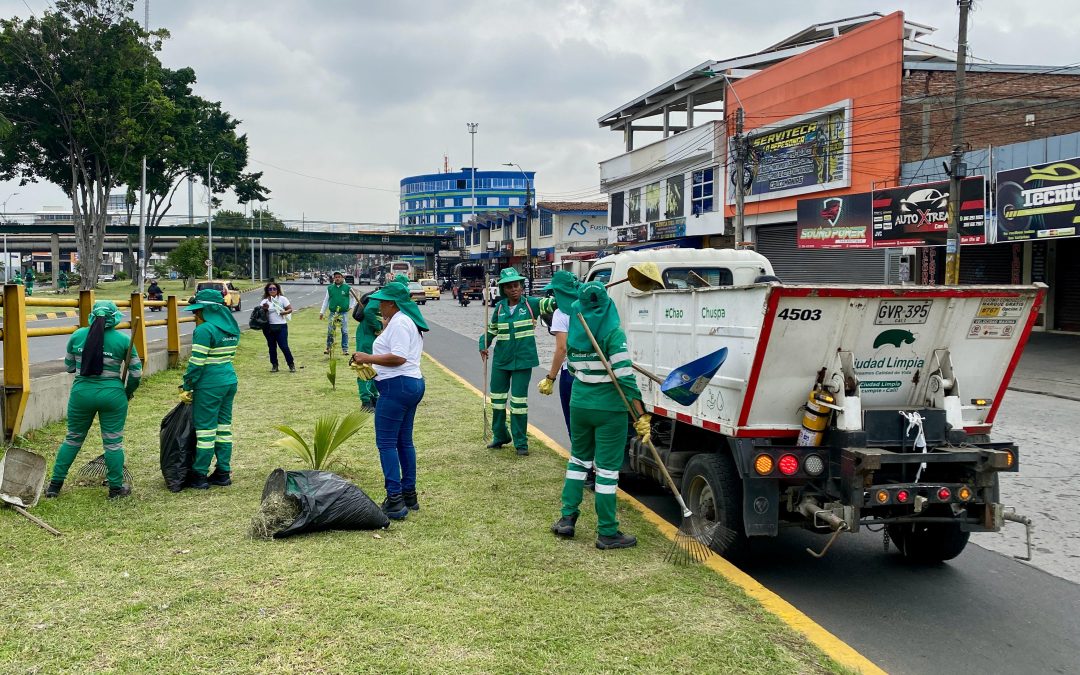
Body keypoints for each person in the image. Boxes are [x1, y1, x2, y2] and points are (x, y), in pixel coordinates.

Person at [552, 282, 650, 550]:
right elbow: (625, 379)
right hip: (609, 410)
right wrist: (640, 415)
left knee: (578, 461)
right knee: (606, 470)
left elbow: (572, 367)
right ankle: (607, 532)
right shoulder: (613, 333)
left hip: (580, 404)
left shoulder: (576, 329)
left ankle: (566, 519)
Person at [44, 301, 142, 500]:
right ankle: (116, 489)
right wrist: (127, 392)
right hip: (113, 395)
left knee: (72, 439)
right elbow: (136, 373)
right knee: (113, 443)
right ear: (114, 318)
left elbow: (70, 366)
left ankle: (54, 486)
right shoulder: (123, 340)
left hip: (82, 394)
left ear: (91, 316)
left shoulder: (77, 335)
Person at [351, 281, 428, 520]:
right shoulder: (401, 321)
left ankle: (394, 500)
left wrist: (367, 357)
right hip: (409, 384)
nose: (379, 306)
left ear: (392, 303)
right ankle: (409, 495)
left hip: (397, 387)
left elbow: (398, 357)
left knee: (386, 443)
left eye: (382, 302)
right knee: (404, 441)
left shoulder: (401, 322)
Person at [477, 267, 555, 456]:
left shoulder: (532, 304)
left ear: (521, 287)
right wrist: (483, 344)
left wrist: (567, 291)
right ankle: (500, 435)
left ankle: (521, 442)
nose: (513, 289)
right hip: (501, 361)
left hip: (523, 361)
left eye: (516, 285)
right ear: (503, 289)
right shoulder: (499, 308)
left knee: (519, 402)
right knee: (497, 400)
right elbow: (491, 331)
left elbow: (555, 303)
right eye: (509, 286)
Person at [181, 288, 240, 489]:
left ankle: (199, 475)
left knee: (206, 431)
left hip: (209, 384)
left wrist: (187, 385)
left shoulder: (205, 330)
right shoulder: (232, 329)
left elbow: (197, 362)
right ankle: (223, 472)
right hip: (229, 380)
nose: (195, 314)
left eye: (198, 311)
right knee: (224, 428)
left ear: (207, 310)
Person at [354, 290, 382, 412]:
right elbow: (369, 311)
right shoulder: (377, 298)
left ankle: (374, 397)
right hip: (367, 337)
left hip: (373, 337)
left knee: (375, 368)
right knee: (365, 369)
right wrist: (377, 327)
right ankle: (366, 401)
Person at [260, 282, 295, 373]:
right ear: (267, 291)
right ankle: (274, 365)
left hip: (281, 326)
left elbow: (290, 309)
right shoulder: (264, 301)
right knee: (271, 347)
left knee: (284, 346)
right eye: (270, 289)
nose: (272, 290)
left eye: (274, 289)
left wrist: (284, 312)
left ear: (277, 290)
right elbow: (260, 315)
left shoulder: (282, 299)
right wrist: (264, 310)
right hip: (269, 327)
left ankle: (291, 364)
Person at [319, 271, 352, 356]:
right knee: (331, 330)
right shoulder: (330, 288)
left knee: (344, 331)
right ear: (334, 278)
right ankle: (328, 347)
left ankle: (345, 349)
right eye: (336, 277)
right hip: (333, 313)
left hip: (343, 313)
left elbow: (354, 297)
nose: (337, 278)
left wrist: (351, 306)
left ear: (342, 278)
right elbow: (326, 300)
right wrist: (322, 312)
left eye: (339, 277)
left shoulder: (347, 287)